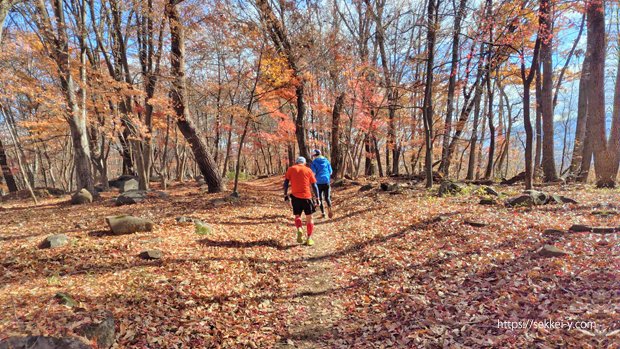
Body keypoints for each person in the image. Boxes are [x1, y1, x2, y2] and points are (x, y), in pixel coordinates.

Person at [284, 156, 321, 246]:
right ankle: (309, 238)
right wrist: (317, 198)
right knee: (309, 218)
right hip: (307, 197)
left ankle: (299, 228)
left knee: (297, 216)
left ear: (297, 162)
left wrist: (285, 195)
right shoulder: (308, 170)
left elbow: (285, 183)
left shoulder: (291, 169)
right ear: (304, 163)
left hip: (295, 198)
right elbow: (314, 185)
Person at [310, 149, 333, 218]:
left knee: (319, 198)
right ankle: (329, 208)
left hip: (318, 183)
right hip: (326, 181)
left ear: (314, 155)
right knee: (327, 197)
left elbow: (313, 173)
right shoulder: (326, 161)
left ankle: (323, 213)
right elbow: (331, 172)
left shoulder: (314, 162)